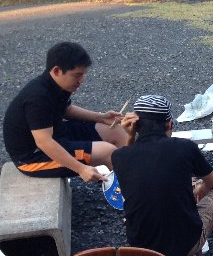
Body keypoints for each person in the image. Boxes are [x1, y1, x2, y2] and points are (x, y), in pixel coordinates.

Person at [113, 95, 213, 256]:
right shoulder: (184, 147)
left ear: (135, 126)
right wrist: (201, 189)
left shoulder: (119, 157)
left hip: (141, 248)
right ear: (169, 124)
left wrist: (129, 137)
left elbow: (138, 174)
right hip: (185, 244)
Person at [3, 41, 127, 181]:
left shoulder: (59, 84)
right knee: (108, 152)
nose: (81, 80)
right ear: (56, 71)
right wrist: (81, 169)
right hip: (33, 157)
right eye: (77, 75)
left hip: (57, 134)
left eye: (83, 75)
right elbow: (44, 142)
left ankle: (136, 177)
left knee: (116, 131)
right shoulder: (38, 97)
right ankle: (127, 190)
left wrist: (101, 117)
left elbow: (67, 109)